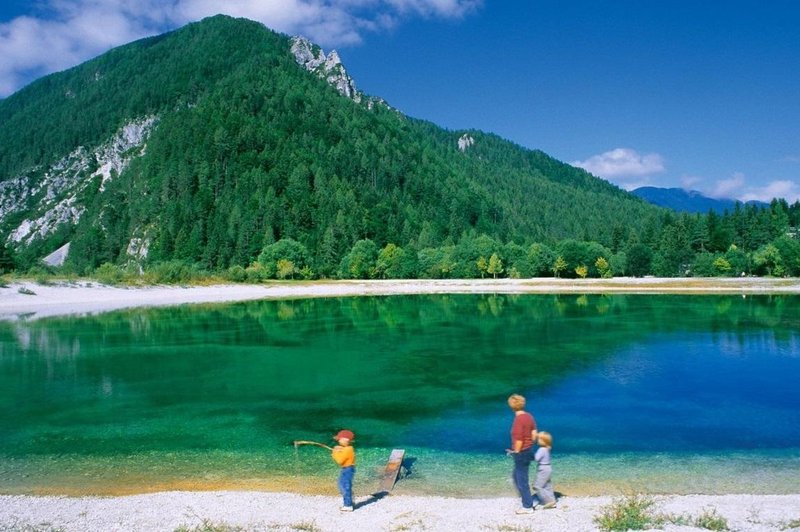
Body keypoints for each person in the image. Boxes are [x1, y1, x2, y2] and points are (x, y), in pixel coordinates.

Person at [506, 394, 538, 514]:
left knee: (521, 480)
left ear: (512, 406)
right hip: (529, 450)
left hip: (522, 453)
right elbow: (534, 434)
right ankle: (527, 499)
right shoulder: (529, 416)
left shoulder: (518, 420)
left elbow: (518, 439)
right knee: (516, 477)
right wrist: (528, 443)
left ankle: (527, 506)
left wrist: (516, 452)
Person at [331, 429, 356, 512]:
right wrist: (339, 449)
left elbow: (339, 460)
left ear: (346, 440)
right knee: (342, 484)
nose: (338, 441)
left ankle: (348, 505)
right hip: (347, 469)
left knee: (345, 486)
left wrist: (334, 453)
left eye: (340, 440)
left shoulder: (348, 450)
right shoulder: (348, 448)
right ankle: (350, 501)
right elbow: (343, 451)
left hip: (348, 469)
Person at [533, 431, 556, 509]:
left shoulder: (541, 449)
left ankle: (547, 501)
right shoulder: (547, 448)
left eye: (539, 439)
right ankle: (552, 500)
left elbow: (536, 458)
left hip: (543, 469)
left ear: (543, 441)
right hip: (548, 468)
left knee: (537, 486)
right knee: (547, 485)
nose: (537, 440)